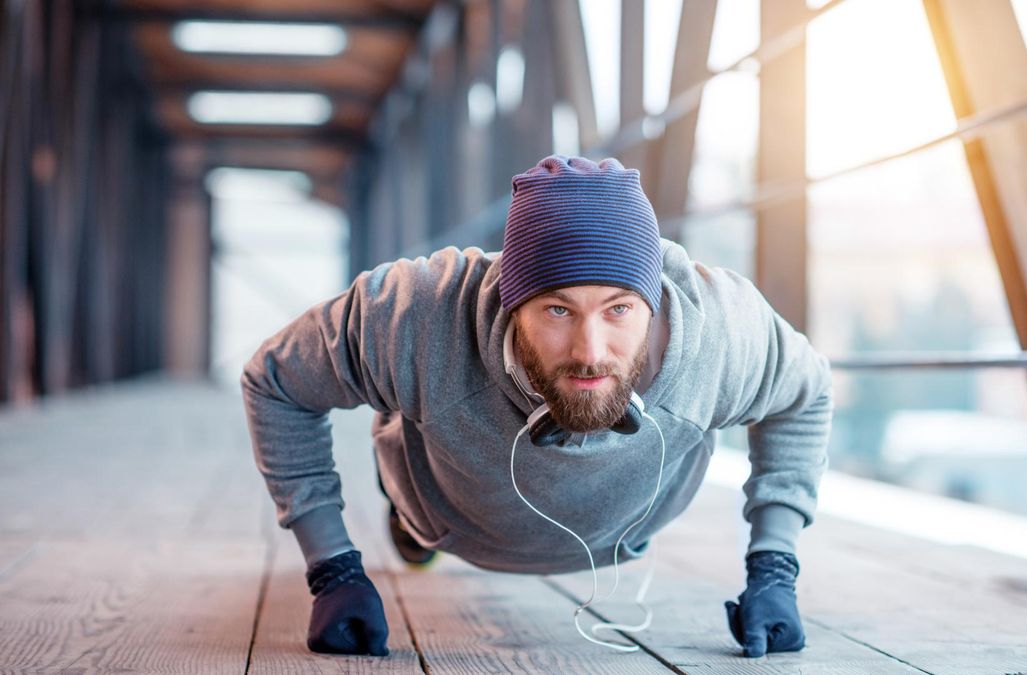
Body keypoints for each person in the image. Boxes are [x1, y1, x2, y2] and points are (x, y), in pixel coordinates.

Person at [240, 154, 833, 659]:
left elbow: (805, 397)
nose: (589, 351)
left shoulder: (724, 333)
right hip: (444, 511)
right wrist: (332, 567)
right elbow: (274, 381)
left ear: (651, 303)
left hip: (625, 530)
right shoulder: (414, 314)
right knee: (412, 452)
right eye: (557, 310)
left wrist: (774, 565)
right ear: (510, 301)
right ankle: (409, 524)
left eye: (619, 309)